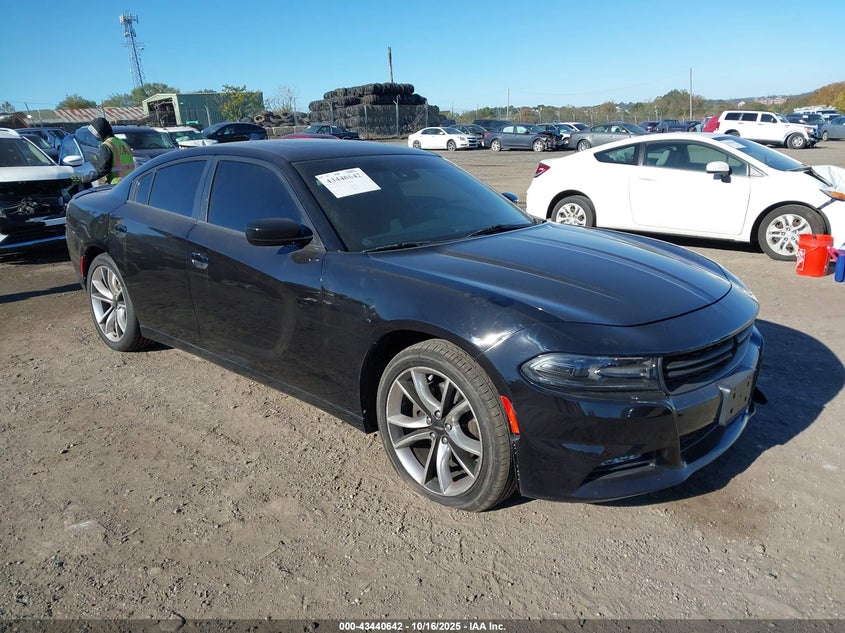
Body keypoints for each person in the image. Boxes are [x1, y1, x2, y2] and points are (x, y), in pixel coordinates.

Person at [74, 117, 135, 186]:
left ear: (98, 132)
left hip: (117, 184)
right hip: (130, 183)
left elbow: (102, 170)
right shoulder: (122, 143)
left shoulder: (107, 145)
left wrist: (82, 179)